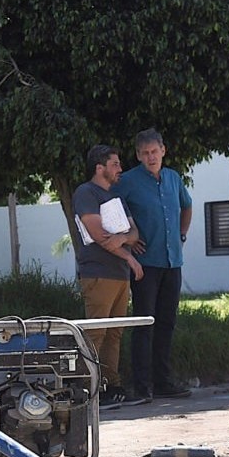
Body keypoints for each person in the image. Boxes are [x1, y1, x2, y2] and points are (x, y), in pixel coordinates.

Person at [110, 128, 193, 404]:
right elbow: (113, 212)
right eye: (145, 153)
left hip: (172, 261)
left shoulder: (173, 178)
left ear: (163, 151)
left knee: (167, 322)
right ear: (138, 156)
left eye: (154, 152)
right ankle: (142, 385)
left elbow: (187, 205)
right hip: (145, 264)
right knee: (145, 322)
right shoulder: (128, 181)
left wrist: (182, 234)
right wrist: (127, 242)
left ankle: (163, 381)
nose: (150, 157)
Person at [71, 144, 143, 409]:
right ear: (99, 168)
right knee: (96, 332)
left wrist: (123, 239)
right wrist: (129, 256)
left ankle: (113, 385)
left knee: (115, 333)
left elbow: (134, 233)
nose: (120, 169)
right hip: (98, 273)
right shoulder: (86, 193)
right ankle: (89, 388)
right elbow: (98, 235)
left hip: (119, 276)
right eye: (115, 164)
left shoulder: (116, 198)